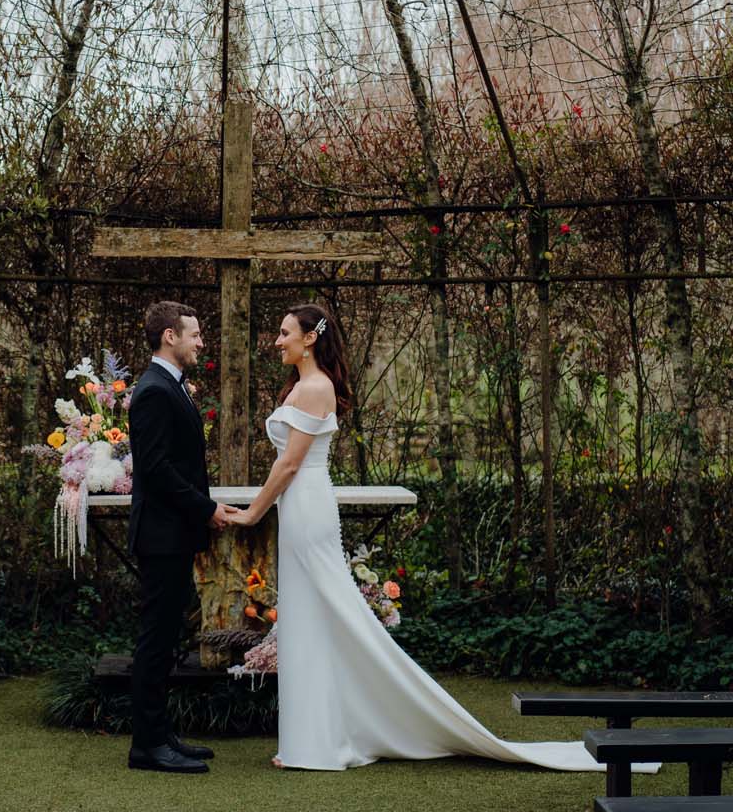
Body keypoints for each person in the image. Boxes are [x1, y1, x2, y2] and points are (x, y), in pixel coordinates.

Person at [226, 302, 657, 775]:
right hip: (301, 507)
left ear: (310, 338)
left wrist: (251, 515)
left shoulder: (314, 387)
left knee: (325, 617)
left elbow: (288, 464)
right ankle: (310, 741)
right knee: (310, 620)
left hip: (306, 507)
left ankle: (321, 744)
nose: (277, 340)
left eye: (285, 332)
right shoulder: (303, 386)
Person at [127, 300, 239, 774]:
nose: (200, 343)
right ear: (170, 336)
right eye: (194, 334)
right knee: (156, 640)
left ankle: (161, 733)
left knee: (168, 636)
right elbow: (155, 470)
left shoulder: (172, 386)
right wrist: (206, 508)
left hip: (174, 533)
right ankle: (147, 746)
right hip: (160, 537)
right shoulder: (154, 390)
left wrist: (201, 511)